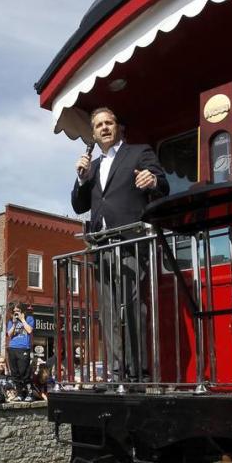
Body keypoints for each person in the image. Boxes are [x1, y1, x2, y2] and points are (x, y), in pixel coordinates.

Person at [71, 107, 168, 379]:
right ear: (93, 133)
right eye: (98, 125)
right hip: (101, 246)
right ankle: (116, 372)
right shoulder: (92, 167)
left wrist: (152, 180)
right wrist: (80, 177)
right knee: (109, 313)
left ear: (118, 127)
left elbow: (164, 185)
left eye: (109, 123)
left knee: (134, 307)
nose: (104, 127)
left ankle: (138, 371)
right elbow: (79, 206)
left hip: (130, 243)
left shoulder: (139, 153)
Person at [5, 303, 34, 398]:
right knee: (15, 373)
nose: (16, 313)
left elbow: (29, 330)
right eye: (14, 312)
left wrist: (22, 319)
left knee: (24, 372)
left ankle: (28, 393)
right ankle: (20, 393)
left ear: (23, 311)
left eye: (18, 311)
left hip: (23, 348)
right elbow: (9, 335)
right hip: (13, 347)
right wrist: (14, 324)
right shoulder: (11, 321)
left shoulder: (29, 318)